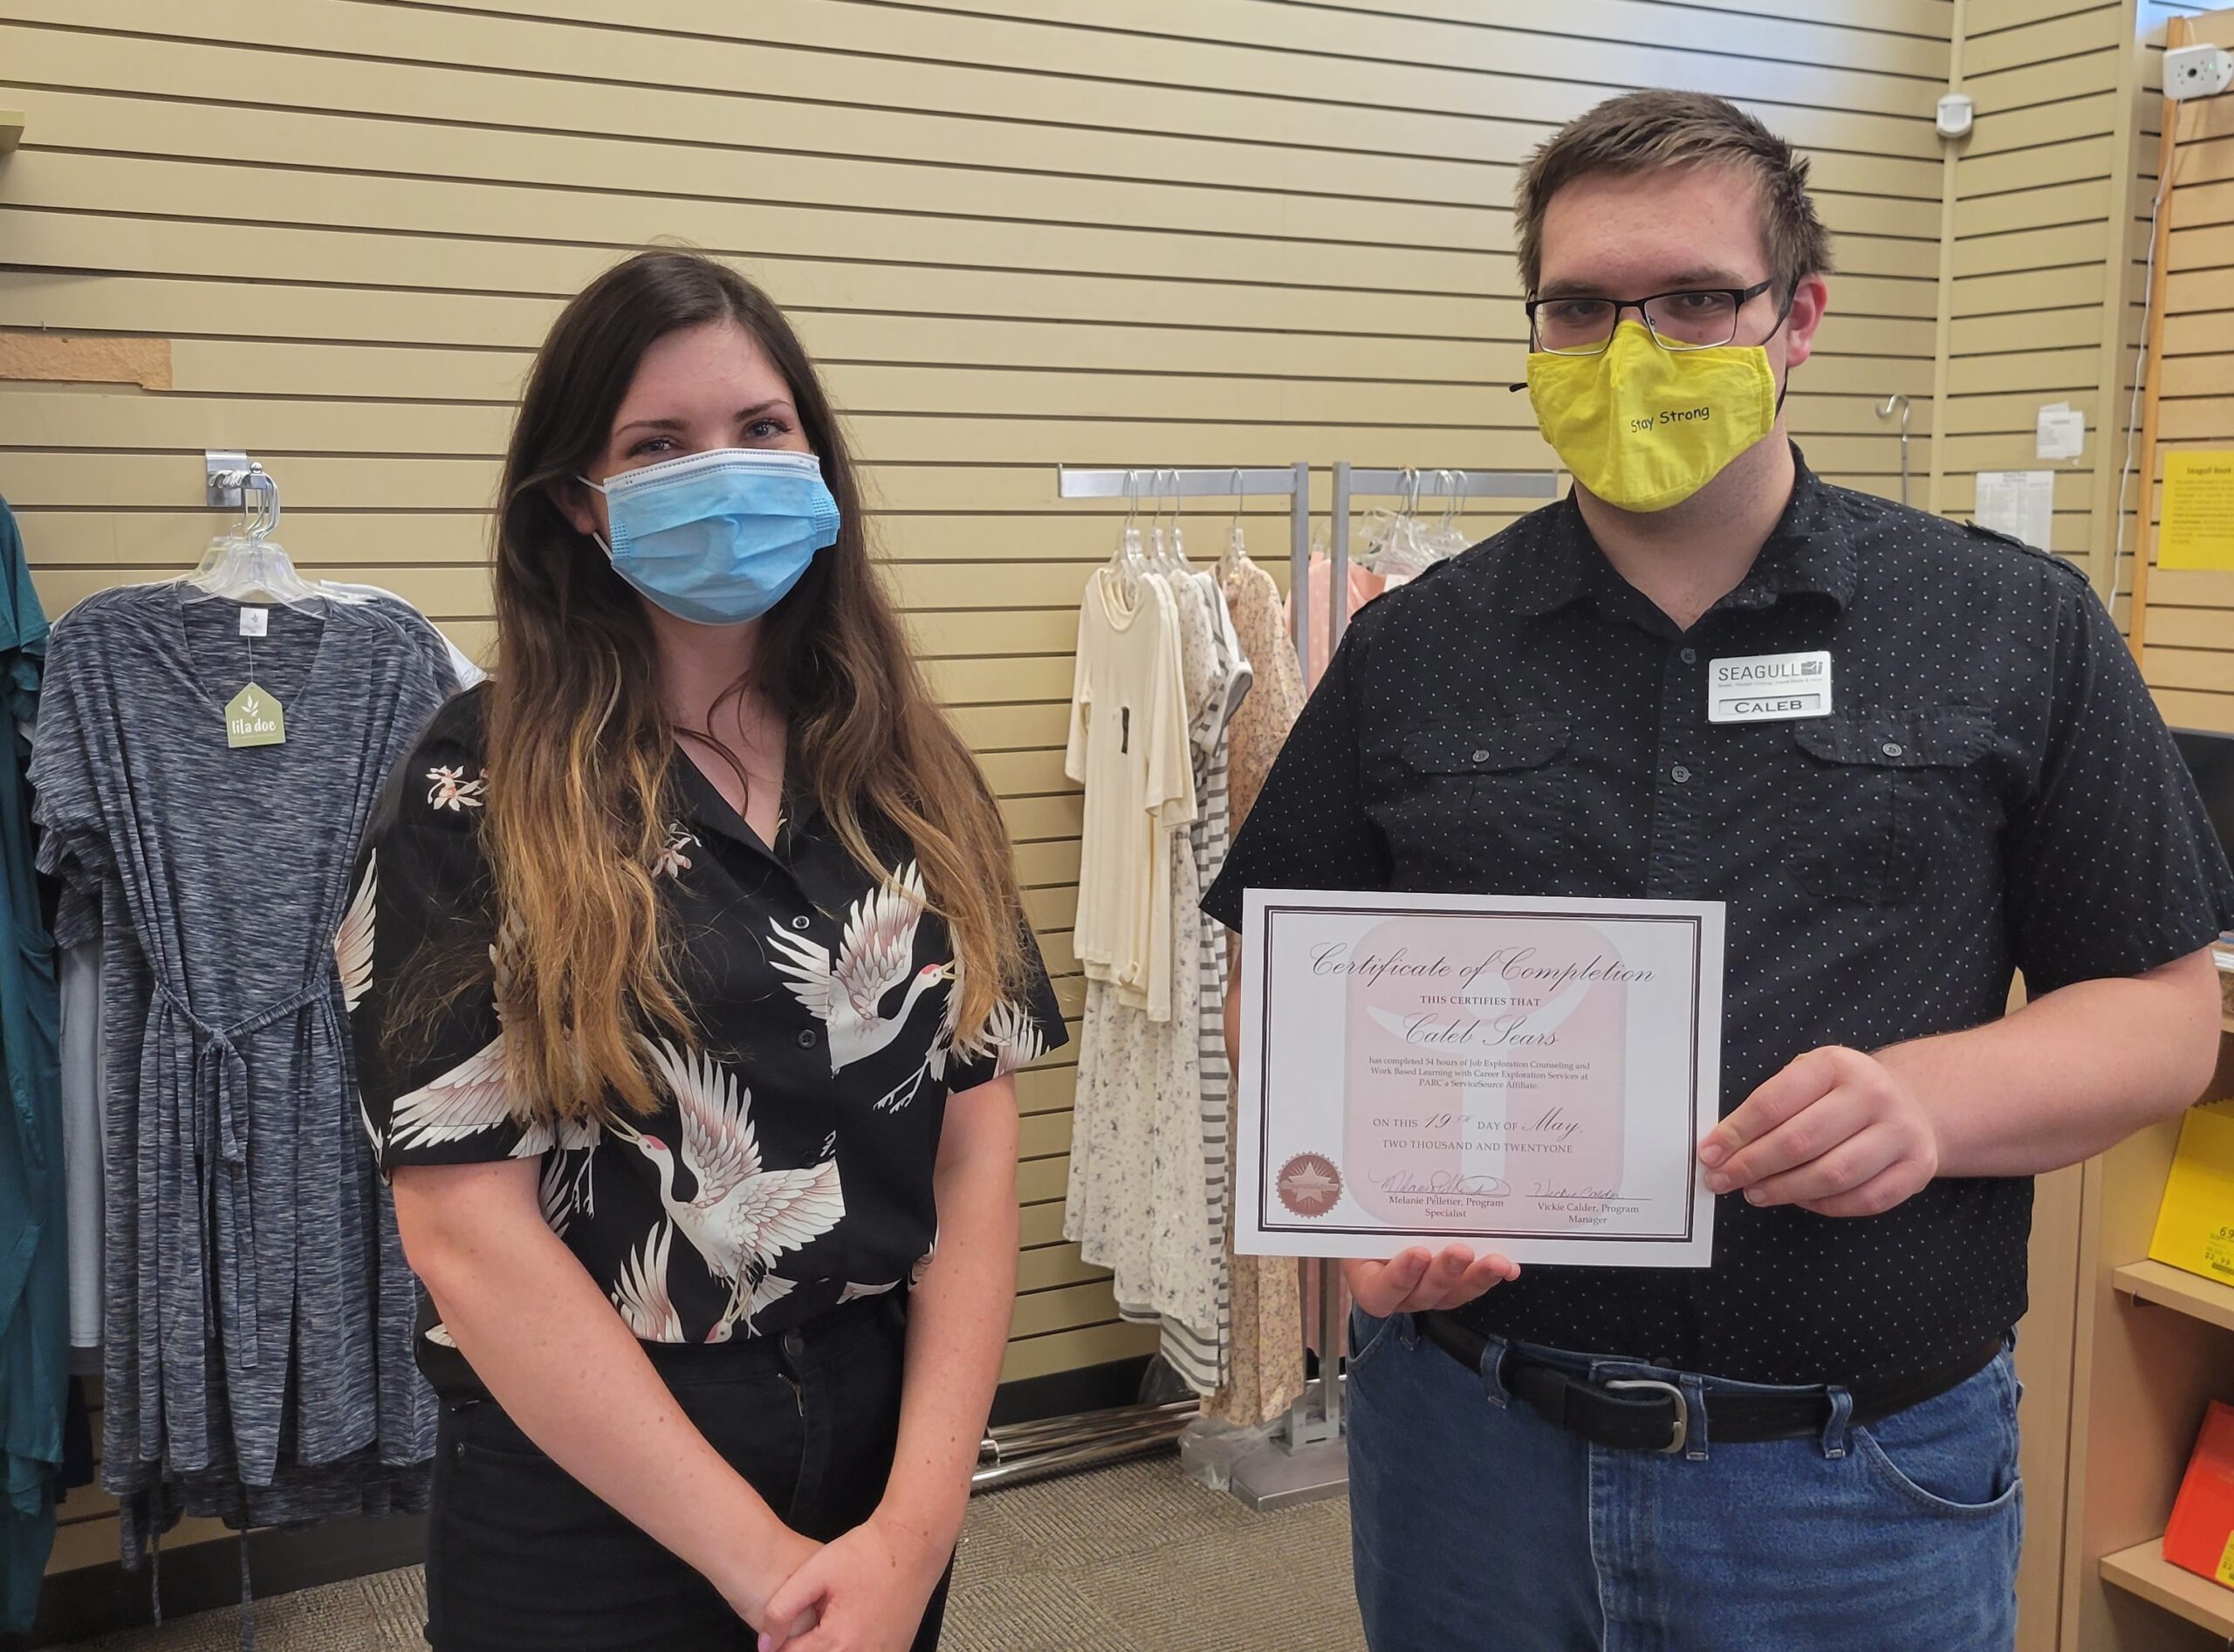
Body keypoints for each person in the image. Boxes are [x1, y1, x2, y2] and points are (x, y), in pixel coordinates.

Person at [1207, 90, 2234, 1650]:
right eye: (1580, 306)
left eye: (1695, 298)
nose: (1632, 348)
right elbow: (1278, 976)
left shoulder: (2009, 628)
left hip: (1858, 1476)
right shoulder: (1414, 650)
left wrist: (1931, 1103)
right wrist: (1352, 1213)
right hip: (1473, 1455)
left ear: (1798, 315)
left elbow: (2167, 1014)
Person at [348, 249, 1065, 1652]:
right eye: (657, 445)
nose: (723, 471)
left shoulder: (909, 770)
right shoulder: (475, 784)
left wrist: (912, 1536)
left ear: (818, 458)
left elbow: (978, 1147)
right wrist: (771, 1578)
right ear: (579, 502)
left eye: (759, 429)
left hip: (881, 1433)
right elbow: (460, 1223)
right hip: (589, 1475)